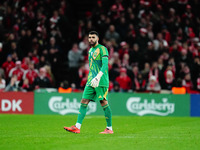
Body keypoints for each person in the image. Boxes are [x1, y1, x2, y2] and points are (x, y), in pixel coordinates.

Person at [64, 31, 113, 134]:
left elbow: (105, 65)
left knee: (103, 102)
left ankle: (109, 128)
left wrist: (98, 77)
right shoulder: (90, 50)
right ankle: (77, 127)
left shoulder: (102, 49)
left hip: (101, 80)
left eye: (93, 37)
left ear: (97, 38)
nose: (91, 39)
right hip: (91, 80)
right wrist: (90, 78)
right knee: (84, 101)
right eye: (89, 37)